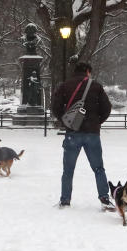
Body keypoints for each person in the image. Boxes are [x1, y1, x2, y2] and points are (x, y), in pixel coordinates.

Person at [51, 62, 114, 210]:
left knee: (68, 169)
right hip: (92, 133)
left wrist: (66, 121)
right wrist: (97, 121)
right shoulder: (96, 86)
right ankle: (104, 198)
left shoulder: (65, 86)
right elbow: (106, 108)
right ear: (87, 71)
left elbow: (55, 107)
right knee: (98, 168)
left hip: (73, 133)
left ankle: (65, 200)